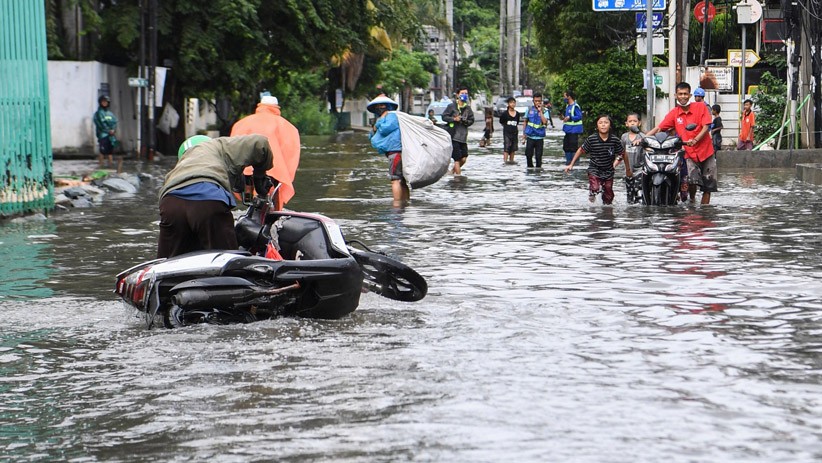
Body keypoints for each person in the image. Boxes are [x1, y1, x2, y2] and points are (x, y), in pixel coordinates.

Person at [157, 134, 277, 259]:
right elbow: (260, 143)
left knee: (165, 264)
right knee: (227, 261)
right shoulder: (220, 145)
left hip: (170, 203)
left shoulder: (182, 165)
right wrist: (259, 175)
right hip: (207, 199)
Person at [646, 81, 716, 205]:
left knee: (708, 184)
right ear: (675, 95)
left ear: (689, 95)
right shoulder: (674, 113)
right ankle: (692, 200)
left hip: (706, 151)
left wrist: (695, 140)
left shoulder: (701, 107)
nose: (683, 96)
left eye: (685, 94)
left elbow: (706, 127)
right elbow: (659, 128)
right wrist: (643, 138)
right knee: (691, 181)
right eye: (680, 94)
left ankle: (705, 211)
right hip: (689, 153)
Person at [229, 94, 300, 210]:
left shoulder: (242, 123)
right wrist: (283, 173)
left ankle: (250, 208)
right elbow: (290, 154)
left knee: (249, 198)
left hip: (245, 170)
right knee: (275, 194)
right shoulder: (287, 126)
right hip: (274, 170)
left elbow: (232, 148)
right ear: (277, 108)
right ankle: (275, 213)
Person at [564, 115, 632, 205]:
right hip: (594, 169)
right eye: (600, 123)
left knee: (608, 198)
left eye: (606, 123)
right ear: (597, 126)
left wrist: (628, 169)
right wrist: (571, 164)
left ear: (610, 125)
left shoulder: (615, 140)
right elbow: (580, 150)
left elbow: (623, 154)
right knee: (595, 187)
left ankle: (606, 214)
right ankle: (592, 193)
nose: (603, 125)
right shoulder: (592, 139)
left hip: (608, 171)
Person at [367, 94, 409, 205]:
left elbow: (386, 129)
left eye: (382, 105)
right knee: (401, 180)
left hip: (396, 152)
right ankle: (405, 204)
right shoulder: (382, 119)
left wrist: (380, 121)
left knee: (395, 180)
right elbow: (373, 135)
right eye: (378, 106)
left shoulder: (391, 116)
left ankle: (397, 206)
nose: (380, 108)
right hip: (394, 153)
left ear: (388, 106)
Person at [441, 86, 475, 175]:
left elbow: (472, 120)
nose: (464, 95)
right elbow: (444, 117)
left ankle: (452, 172)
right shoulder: (451, 106)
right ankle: (458, 179)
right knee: (456, 159)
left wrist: (465, 121)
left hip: (463, 137)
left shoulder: (468, 108)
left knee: (463, 158)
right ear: (457, 95)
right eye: (462, 93)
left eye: (466, 94)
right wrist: (454, 119)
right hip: (453, 136)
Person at [614, 113, 644, 203]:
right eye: (630, 121)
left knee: (638, 189)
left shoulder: (642, 136)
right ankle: (630, 212)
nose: (632, 123)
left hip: (640, 169)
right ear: (626, 124)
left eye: (634, 121)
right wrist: (614, 165)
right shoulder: (624, 137)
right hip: (628, 170)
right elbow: (621, 153)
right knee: (629, 193)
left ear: (639, 123)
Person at [522, 92, 550, 169]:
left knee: (538, 157)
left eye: (539, 101)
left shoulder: (545, 111)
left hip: (539, 138)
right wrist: (524, 135)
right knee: (528, 155)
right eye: (536, 101)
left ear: (541, 101)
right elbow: (525, 122)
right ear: (533, 101)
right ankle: (530, 171)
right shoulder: (529, 109)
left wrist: (540, 111)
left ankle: (538, 172)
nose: (537, 102)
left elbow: (545, 122)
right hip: (530, 137)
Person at [93, 95, 118, 168]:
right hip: (103, 135)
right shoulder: (99, 113)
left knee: (110, 152)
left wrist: (113, 130)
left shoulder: (110, 113)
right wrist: (108, 130)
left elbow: (115, 122)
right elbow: (100, 123)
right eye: (103, 102)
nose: (104, 103)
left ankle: (110, 166)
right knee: (102, 151)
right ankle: (101, 166)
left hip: (111, 136)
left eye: (106, 102)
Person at [561, 90, 583, 165]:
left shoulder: (575, 106)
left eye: (564, 96)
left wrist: (570, 117)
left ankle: (575, 163)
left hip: (574, 130)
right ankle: (568, 162)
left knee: (573, 147)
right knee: (566, 146)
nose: (564, 98)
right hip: (568, 130)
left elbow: (579, 116)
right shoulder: (567, 106)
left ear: (569, 97)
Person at [499, 96, 521, 164]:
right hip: (507, 133)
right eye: (511, 103)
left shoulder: (517, 114)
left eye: (514, 103)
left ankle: (511, 161)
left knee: (513, 149)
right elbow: (501, 121)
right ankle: (505, 162)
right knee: (506, 147)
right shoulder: (505, 114)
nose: (513, 104)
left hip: (514, 133)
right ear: (508, 104)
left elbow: (517, 122)